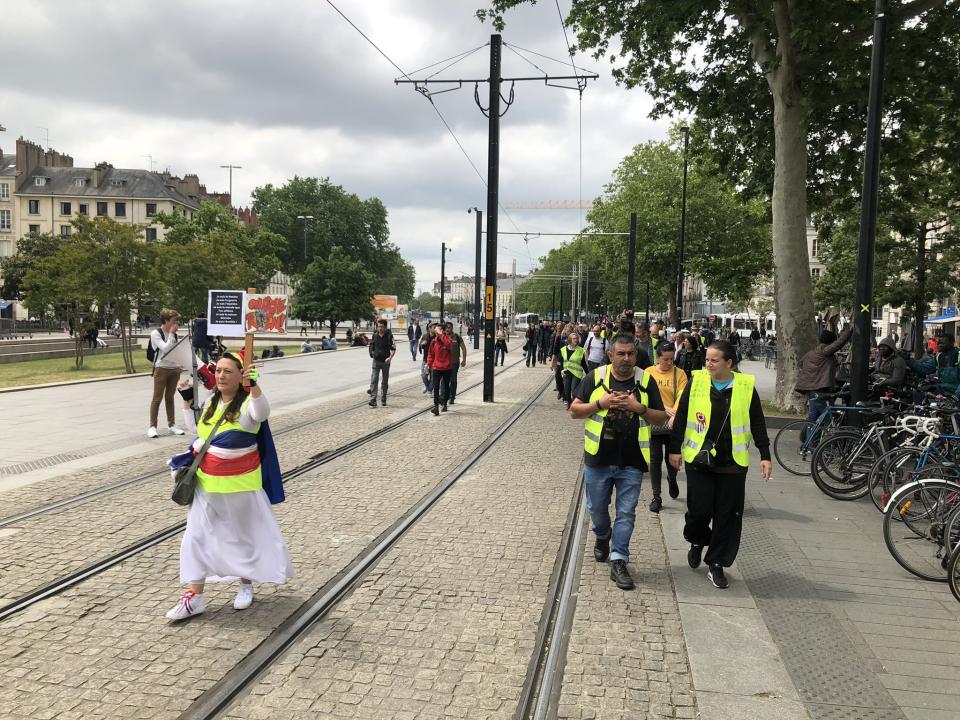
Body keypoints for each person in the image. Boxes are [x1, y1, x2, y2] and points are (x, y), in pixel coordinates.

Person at [165, 351, 292, 620]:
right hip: (207, 487)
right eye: (219, 370)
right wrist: (188, 401)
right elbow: (199, 433)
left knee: (242, 538)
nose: (221, 376)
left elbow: (263, 412)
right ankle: (194, 597)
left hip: (241, 487)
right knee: (196, 538)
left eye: (228, 371)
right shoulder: (211, 402)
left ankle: (246, 585)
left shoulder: (248, 405)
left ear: (240, 376)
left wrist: (255, 386)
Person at [669, 341, 772, 590]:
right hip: (699, 459)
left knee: (728, 515)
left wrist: (765, 455)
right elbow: (681, 415)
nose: (708, 364)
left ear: (729, 363)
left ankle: (717, 563)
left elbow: (757, 421)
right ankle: (696, 540)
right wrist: (674, 449)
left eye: (714, 360)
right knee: (699, 510)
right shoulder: (697, 382)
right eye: (707, 359)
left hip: (732, 463)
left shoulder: (746, 386)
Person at [569, 333, 668, 590]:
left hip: (632, 461)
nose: (626, 359)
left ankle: (619, 559)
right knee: (597, 509)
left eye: (630, 354)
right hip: (598, 459)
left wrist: (639, 408)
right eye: (620, 354)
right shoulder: (596, 377)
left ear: (637, 355)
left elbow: (660, 419)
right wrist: (600, 403)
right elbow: (574, 411)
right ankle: (602, 536)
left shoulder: (646, 380)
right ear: (610, 355)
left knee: (626, 512)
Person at [644, 342, 688, 513]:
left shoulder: (680, 373)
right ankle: (657, 496)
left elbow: (682, 397)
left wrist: (674, 415)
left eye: (672, 359)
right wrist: (664, 410)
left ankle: (672, 477)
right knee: (655, 460)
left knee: (672, 459)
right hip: (654, 421)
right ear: (658, 358)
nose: (669, 363)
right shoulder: (648, 373)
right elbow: (645, 396)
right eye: (666, 359)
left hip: (673, 424)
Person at [794, 320, 853, 429]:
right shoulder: (825, 351)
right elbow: (839, 343)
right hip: (821, 390)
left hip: (811, 390)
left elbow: (801, 364)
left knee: (812, 418)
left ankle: (809, 443)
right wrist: (849, 331)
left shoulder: (811, 353)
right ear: (830, 342)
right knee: (829, 420)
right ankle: (830, 443)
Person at [149, 308, 186, 439]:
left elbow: (176, 350)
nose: (176, 323)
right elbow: (165, 349)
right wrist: (171, 334)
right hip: (161, 368)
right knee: (157, 398)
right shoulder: (156, 333)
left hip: (174, 369)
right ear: (166, 321)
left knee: (170, 397)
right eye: (174, 320)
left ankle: (172, 425)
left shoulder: (174, 334)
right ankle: (152, 427)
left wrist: (180, 364)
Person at [554, 330, 587, 409]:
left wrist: (588, 373)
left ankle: (574, 403)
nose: (576, 340)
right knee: (566, 388)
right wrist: (561, 370)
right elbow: (560, 362)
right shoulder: (563, 349)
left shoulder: (581, 350)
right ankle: (568, 401)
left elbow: (583, 363)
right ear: (569, 340)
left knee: (574, 388)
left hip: (577, 372)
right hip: (566, 372)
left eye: (576, 338)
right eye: (574, 338)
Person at [368, 319, 396, 407]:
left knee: (384, 381)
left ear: (385, 327)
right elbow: (371, 345)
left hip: (385, 362)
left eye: (381, 327)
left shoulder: (389, 336)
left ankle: (383, 398)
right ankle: (373, 399)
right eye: (378, 326)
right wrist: (372, 352)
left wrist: (390, 358)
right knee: (374, 380)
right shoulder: (375, 335)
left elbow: (394, 349)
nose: (379, 328)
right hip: (376, 361)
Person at [427, 323, 454, 415]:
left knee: (446, 387)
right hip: (436, 367)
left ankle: (444, 403)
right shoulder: (434, 341)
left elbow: (448, 345)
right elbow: (431, 354)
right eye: (436, 330)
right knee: (436, 387)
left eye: (437, 330)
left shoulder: (448, 340)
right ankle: (436, 407)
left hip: (447, 368)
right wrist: (428, 364)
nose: (436, 332)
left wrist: (441, 335)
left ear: (442, 331)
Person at [445, 321, 467, 404]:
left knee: (453, 380)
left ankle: (452, 397)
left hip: (454, 363)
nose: (447, 329)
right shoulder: (442, 337)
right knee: (444, 381)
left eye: (449, 327)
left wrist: (464, 360)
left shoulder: (456, 337)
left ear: (452, 328)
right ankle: (445, 396)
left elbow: (463, 348)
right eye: (446, 327)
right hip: (444, 363)